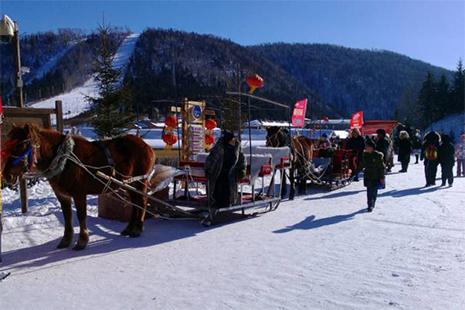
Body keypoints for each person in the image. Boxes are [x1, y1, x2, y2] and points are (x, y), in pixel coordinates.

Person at [205, 130, 246, 208]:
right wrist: (209, 170)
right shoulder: (219, 147)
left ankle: (227, 202)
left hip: (231, 172)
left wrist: (242, 169)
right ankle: (216, 202)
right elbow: (211, 160)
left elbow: (242, 159)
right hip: (219, 171)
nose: (234, 140)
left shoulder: (237, 147)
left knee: (228, 185)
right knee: (219, 184)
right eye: (232, 139)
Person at [361, 139, 385, 212]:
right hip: (368, 175)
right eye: (366, 146)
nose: (366, 148)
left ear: (372, 147)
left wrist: (382, 177)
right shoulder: (365, 155)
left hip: (376, 176)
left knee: (374, 191)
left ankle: (372, 202)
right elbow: (362, 164)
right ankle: (369, 204)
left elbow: (381, 167)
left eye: (367, 146)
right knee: (369, 191)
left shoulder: (377, 155)